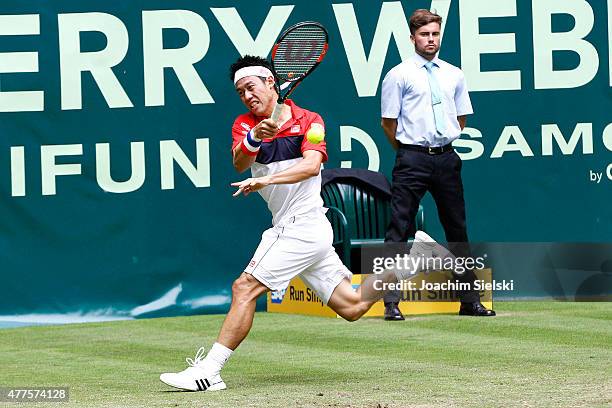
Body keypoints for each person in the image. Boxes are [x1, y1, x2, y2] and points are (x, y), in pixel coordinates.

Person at [158, 55, 447, 392]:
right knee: (351, 307)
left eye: (250, 87)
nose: (246, 96)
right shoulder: (243, 124)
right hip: (300, 228)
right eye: (240, 92)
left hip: (302, 226)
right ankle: (418, 261)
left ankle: (210, 370)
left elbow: (312, 167)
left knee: (244, 287)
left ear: (270, 83)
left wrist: (267, 182)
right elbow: (240, 162)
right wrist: (255, 137)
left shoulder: (310, 121)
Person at [380, 9, 495, 320]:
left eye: (434, 34)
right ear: (412, 38)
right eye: (424, 35)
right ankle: (391, 302)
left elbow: (460, 116)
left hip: (446, 158)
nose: (430, 40)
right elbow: (388, 122)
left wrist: (442, 142)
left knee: (457, 229)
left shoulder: (453, 73)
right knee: (399, 229)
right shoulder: (398, 75)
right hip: (412, 159)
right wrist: (408, 150)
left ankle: (469, 301)